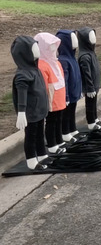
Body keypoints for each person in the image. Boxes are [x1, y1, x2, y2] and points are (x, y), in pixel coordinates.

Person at [11, 36, 50, 170]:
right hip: (31, 112)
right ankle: (31, 160)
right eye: (34, 49)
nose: (38, 51)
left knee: (40, 133)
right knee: (31, 136)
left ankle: (42, 154)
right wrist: (21, 113)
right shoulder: (23, 75)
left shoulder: (35, 70)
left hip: (39, 109)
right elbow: (21, 95)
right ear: (24, 53)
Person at [34, 33, 68, 154]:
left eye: (55, 45)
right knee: (51, 121)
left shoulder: (56, 62)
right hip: (51, 99)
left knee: (59, 119)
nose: (54, 48)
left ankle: (59, 140)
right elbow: (44, 85)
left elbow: (62, 79)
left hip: (60, 97)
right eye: (50, 46)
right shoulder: (42, 66)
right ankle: (52, 144)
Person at [56, 30, 83, 141]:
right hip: (68, 94)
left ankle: (72, 129)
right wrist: (66, 96)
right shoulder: (63, 61)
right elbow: (64, 81)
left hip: (74, 92)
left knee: (72, 112)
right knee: (66, 114)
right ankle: (65, 132)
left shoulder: (72, 59)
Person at [77, 27, 101, 130]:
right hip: (90, 86)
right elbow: (86, 73)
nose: (94, 39)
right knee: (90, 103)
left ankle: (95, 118)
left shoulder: (91, 53)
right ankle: (91, 122)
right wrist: (89, 87)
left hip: (94, 84)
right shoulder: (84, 57)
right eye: (91, 36)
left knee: (94, 102)